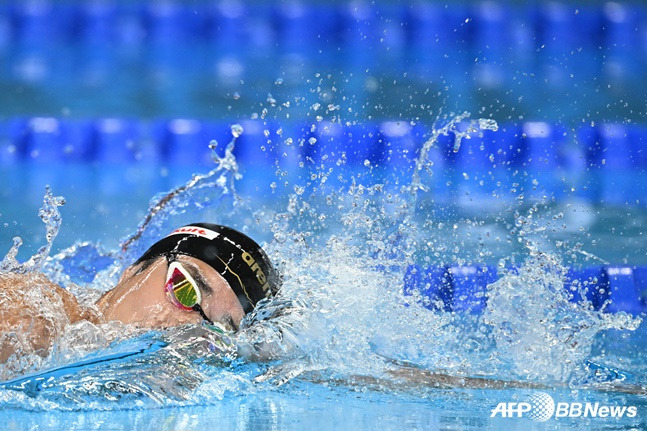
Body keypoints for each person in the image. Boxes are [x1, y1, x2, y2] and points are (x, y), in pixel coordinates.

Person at [0, 223, 281, 366]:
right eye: (184, 288)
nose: (189, 326)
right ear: (133, 270)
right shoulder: (31, 319)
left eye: (217, 328)